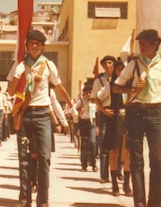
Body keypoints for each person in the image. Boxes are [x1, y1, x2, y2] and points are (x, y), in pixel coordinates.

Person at [8, 30, 76, 207]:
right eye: (32, 43)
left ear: (43, 46)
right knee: (23, 158)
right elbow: (10, 91)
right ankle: (24, 199)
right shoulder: (20, 65)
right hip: (25, 114)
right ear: (27, 45)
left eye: (38, 43)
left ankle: (43, 200)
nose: (35, 46)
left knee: (44, 158)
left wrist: (71, 105)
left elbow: (59, 87)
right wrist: (18, 74)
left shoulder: (48, 65)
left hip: (43, 115)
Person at [113, 29, 161, 207]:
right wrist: (132, 90)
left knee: (158, 161)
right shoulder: (133, 65)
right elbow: (116, 88)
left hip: (155, 113)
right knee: (136, 161)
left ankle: (155, 203)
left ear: (155, 43)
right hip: (135, 112)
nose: (141, 47)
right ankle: (140, 203)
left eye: (145, 43)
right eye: (140, 43)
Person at [97, 60, 132, 196]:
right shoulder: (111, 85)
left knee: (128, 151)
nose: (121, 72)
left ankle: (127, 184)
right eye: (118, 70)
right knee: (114, 151)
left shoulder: (131, 85)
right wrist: (105, 111)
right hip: (115, 120)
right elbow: (98, 98)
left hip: (129, 120)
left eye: (123, 69)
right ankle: (115, 185)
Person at [91, 55, 116, 183]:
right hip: (104, 112)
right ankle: (104, 174)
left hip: (117, 112)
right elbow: (95, 98)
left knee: (118, 144)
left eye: (110, 62)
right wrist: (103, 110)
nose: (108, 65)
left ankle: (117, 173)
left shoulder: (120, 78)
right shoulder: (99, 81)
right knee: (104, 144)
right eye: (105, 63)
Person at [75, 82, 98, 172]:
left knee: (92, 143)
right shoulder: (81, 101)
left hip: (92, 122)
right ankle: (84, 165)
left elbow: (98, 113)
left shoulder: (95, 100)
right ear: (84, 93)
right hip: (84, 122)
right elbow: (73, 110)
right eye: (87, 92)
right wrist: (79, 111)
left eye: (90, 92)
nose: (89, 94)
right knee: (84, 144)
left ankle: (93, 163)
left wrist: (97, 126)